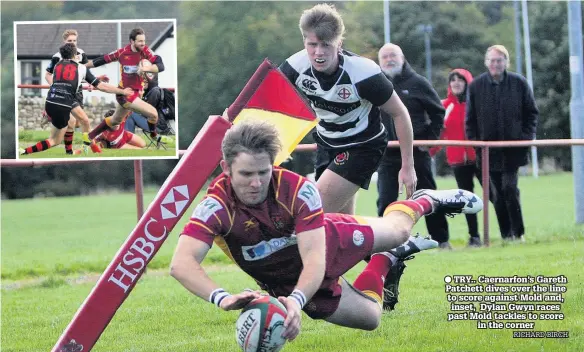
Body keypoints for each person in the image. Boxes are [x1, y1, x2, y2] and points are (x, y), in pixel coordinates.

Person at [170, 120, 483, 340]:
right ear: (226, 169)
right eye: (246, 174)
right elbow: (181, 263)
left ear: (274, 165)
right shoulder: (216, 206)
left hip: (326, 241)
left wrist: (295, 300)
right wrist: (222, 297)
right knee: (371, 319)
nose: (255, 183)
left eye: (263, 172)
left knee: (399, 231)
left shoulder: (297, 190)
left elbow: (314, 260)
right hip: (284, 281)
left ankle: (422, 201)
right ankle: (386, 259)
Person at [278, 4, 416, 216]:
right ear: (304, 41)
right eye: (312, 44)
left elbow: (400, 113)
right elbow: (267, 99)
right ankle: (370, 249)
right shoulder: (295, 66)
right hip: (326, 143)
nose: (318, 52)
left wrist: (407, 166)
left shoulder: (363, 73)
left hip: (363, 145)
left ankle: (400, 235)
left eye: (326, 45)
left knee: (313, 213)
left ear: (339, 43)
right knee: (340, 223)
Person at [375, 43, 451, 249]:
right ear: (379, 61)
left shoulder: (418, 83)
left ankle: (441, 240)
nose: (389, 60)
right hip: (387, 154)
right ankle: (386, 245)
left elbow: (438, 112)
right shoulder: (375, 85)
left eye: (393, 55)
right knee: (385, 199)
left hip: (417, 152)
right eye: (385, 57)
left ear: (402, 58)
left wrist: (429, 140)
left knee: (427, 197)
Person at [466, 45, 538, 242]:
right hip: (488, 152)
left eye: (499, 60)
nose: (496, 64)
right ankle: (506, 234)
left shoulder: (519, 83)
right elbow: (470, 120)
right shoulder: (476, 86)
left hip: (513, 150)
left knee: (509, 188)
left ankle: (518, 232)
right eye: (492, 60)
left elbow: (531, 113)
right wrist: (476, 143)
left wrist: (525, 138)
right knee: (496, 194)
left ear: (506, 62)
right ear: (486, 62)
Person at [20, 43, 133, 156]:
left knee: (80, 121)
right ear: (74, 55)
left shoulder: (57, 65)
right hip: (63, 103)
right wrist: (122, 91)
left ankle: (74, 150)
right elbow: (101, 86)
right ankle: (24, 151)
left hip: (52, 100)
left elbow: (72, 78)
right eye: (77, 53)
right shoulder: (81, 67)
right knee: (55, 140)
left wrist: (96, 78)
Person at [430, 69, 482, 247]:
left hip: (480, 157)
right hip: (458, 161)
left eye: (460, 79)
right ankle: (474, 237)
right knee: (467, 201)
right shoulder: (445, 106)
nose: (456, 83)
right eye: (453, 80)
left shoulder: (476, 104)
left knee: (494, 195)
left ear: (468, 82)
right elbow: (440, 134)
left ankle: (508, 234)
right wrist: (429, 152)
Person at [85, 28, 165, 142]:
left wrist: (146, 68)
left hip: (136, 93)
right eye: (140, 41)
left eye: (144, 41)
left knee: (115, 120)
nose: (143, 44)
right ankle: (155, 136)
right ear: (132, 41)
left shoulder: (146, 51)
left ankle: (88, 137)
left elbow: (160, 66)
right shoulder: (122, 52)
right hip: (125, 94)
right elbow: (101, 60)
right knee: (153, 114)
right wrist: (83, 66)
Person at [44, 29, 96, 154]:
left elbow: (84, 71)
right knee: (71, 122)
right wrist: (55, 87)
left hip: (77, 92)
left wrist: (90, 83)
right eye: (69, 41)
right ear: (64, 42)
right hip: (64, 94)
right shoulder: (57, 57)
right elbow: (47, 74)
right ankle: (70, 151)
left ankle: (86, 144)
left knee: (78, 123)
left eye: (74, 40)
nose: (72, 43)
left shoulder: (81, 53)